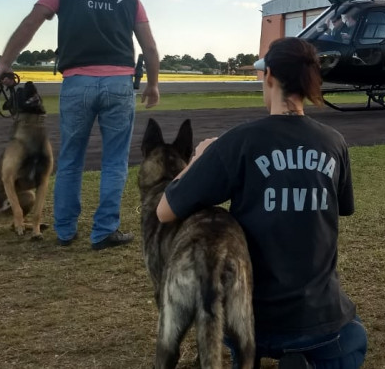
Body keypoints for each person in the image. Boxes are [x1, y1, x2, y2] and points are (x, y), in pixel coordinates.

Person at [156, 37, 367, 369]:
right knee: (354, 339)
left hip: (250, 321)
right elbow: (342, 207)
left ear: (269, 76)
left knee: (252, 339)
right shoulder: (333, 142)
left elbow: (164, 211)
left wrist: (198, 159)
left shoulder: (239, 141)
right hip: (320, 317)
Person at [0, 0, 160, 250]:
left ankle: (66, 230)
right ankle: (104, 232)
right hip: (119, 83)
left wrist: (5, 62)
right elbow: (148, 45)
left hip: (77, 82)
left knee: (71, 158)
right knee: (114, 161)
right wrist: (153, 84)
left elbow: (31, 22)